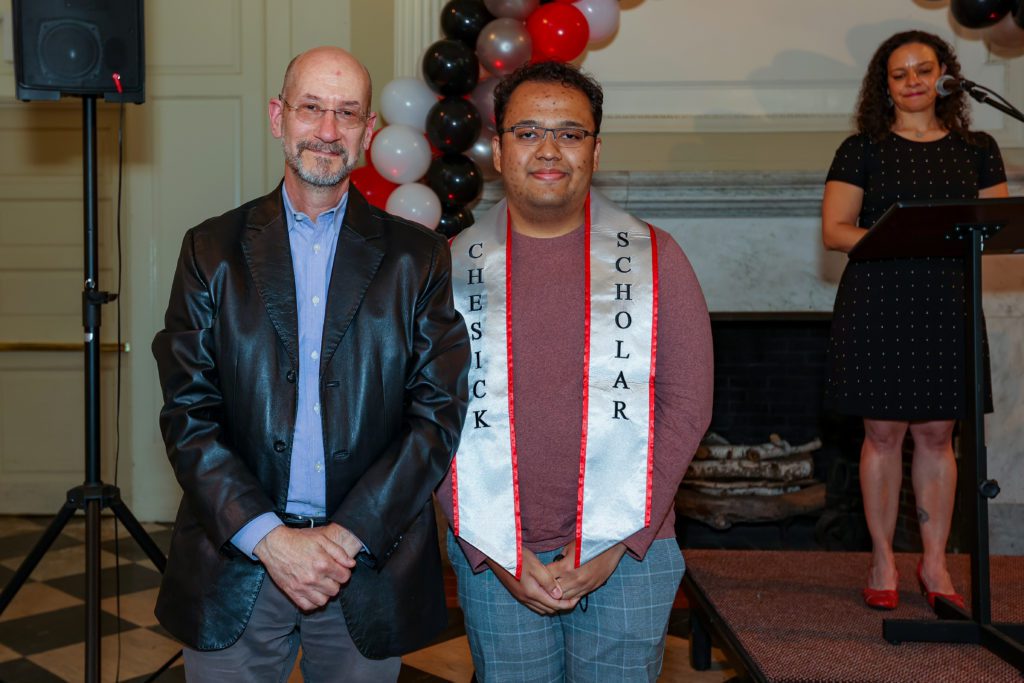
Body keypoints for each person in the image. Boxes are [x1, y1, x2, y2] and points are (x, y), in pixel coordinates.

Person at [151, 46, 469, 681]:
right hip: (235, 562)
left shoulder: (419, 259)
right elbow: (188, 413)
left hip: (364, 567)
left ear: (368, 131)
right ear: (278, 117)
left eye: (347, 113)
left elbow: (436, 415)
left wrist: (343, 540)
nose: (327, 131)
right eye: (311, 108)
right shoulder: (210, 250)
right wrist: (271, 539)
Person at [436, 61, 713, 682]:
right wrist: (493, 549)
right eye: (528, 132)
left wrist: (613, 540)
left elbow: (687, 404)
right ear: (498, 150)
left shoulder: (656, 256)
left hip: (632, 551)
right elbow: (427, 416)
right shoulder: (448, 269)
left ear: (596, 148)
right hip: (495, 550)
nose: (549, 149)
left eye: (570, 132)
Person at [821, 30, 1008, 611]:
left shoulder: (977, 147)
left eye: (922, 70)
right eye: (898, 74)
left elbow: (997, 225)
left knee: (937, 434)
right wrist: (896, 238)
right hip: (880, 296)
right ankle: (883, 558)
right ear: (884, 86)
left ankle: (934, 562)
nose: (912, 82)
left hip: (945, 298)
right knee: (882, 433)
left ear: (946, 74)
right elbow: (835, 230)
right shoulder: (863, 149)